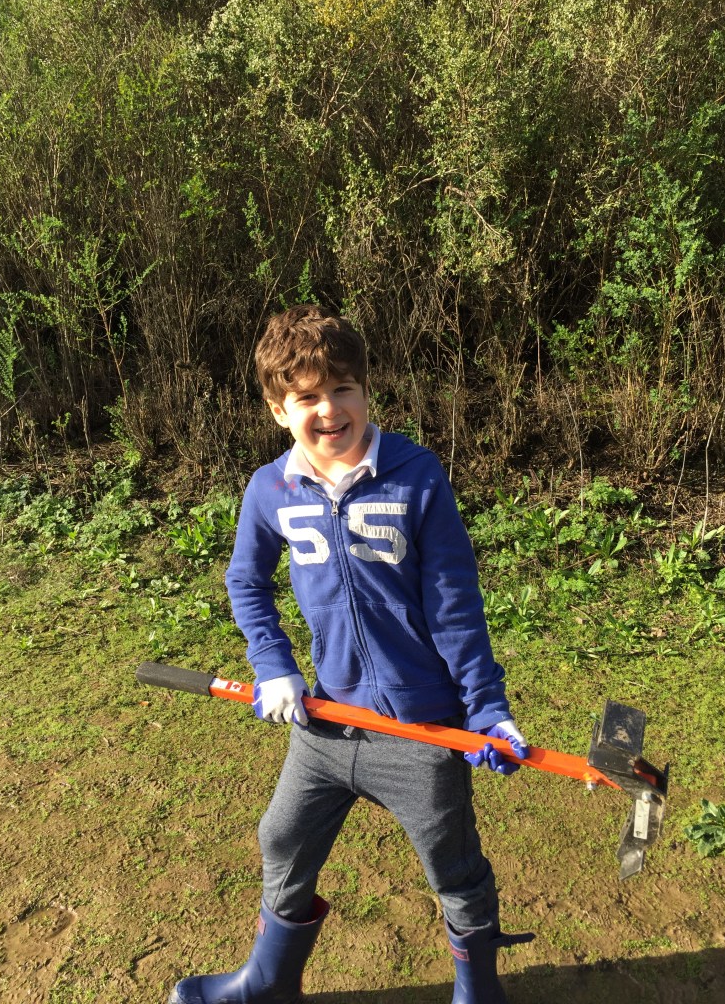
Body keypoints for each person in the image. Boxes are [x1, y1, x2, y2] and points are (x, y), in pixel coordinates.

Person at [169, 304, 533, 1004]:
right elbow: (245, 581)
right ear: (279, 410)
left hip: (423, 730)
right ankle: (268, 982)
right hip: (327, 720)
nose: (329, 409)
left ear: (366, 390)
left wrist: (486, 709)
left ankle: (478, 991)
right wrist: (273, 664)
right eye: (307, 396)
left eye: (343, 389)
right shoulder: (269, 489)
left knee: (453, 866)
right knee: (282, 839)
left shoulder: (415, 475)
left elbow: (454, 603)